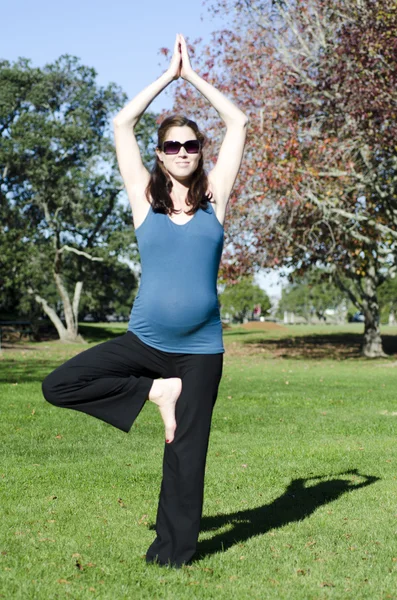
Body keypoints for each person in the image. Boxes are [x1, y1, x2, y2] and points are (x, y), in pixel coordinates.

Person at [42, 33, 247, 568]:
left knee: (185, 454)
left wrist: (194, 76)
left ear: (202, 152)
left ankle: (172, 556)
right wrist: (167, 75)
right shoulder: (144, 199)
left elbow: (240, 122)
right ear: (159, 154)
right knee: (58, 384)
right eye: (172, 146)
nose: (182, 153)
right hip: (145, 343)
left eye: (191, 145)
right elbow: (120, 124)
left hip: (201, 351)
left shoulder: (215, 200)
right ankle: (154, 391)